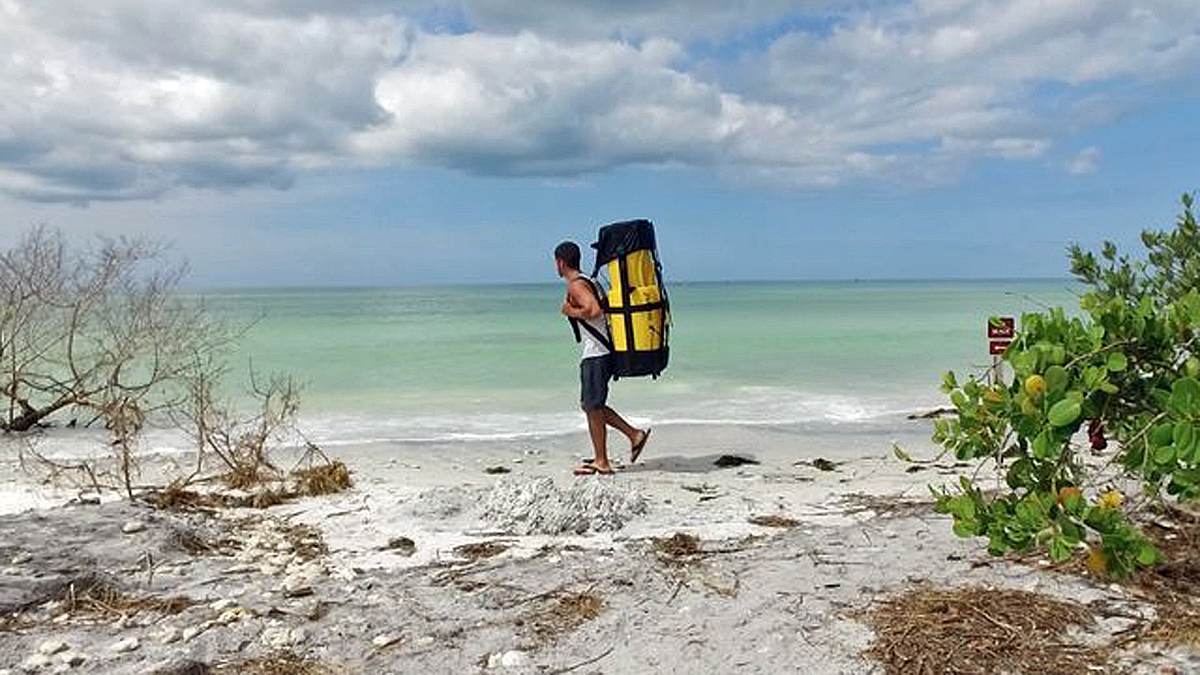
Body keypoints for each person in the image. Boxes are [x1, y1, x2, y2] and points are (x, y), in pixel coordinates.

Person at [554, 241, 651, 475]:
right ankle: (631, 435)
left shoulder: (577, 286)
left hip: (597, 353)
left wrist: (570, 311)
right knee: (591, 405)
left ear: (560, 262)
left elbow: (594, 310)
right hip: (602, 351)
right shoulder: (589, 280)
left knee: (592, 406)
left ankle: (603, 460)